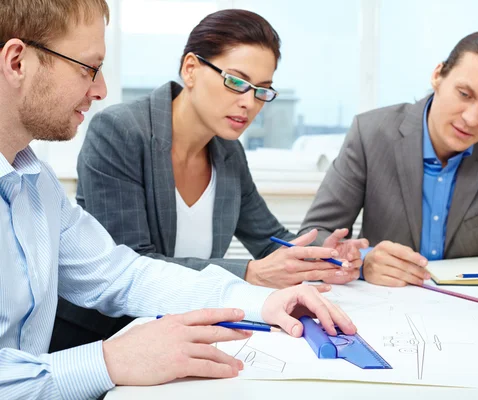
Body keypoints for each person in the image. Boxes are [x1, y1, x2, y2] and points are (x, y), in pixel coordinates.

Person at [0, 1, 356, 398]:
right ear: (17, 61)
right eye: (88, 67)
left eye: (262, 90)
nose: (100, 89)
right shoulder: (121, 132)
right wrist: (108, 360)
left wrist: (263, 301)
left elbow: (122, 273)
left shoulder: (36, 183)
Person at [300, 31, 478, 304]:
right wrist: (363, 259)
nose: (471, 118)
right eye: (464, 94)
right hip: (386, 303)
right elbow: (312, 235)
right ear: (438, 75)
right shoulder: (371, 132)